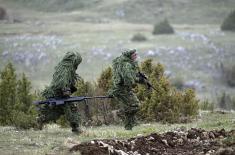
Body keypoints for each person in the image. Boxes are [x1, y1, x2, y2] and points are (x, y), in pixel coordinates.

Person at [37, 51, 82, 133]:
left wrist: (70, 88)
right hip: (59, 95)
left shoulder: (64, 67)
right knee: (72, 108)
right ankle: (76, 128)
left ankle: (42, 119)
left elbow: (64, 81)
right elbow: (61, 82)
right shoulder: (65, 69)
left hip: (58, 94)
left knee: (57, 112)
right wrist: (65, 90)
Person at [108, 49, 148, 130]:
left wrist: (139, 76)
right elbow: (128, 79)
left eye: (136, 54)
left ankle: (130, 126)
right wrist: (140, 80)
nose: (136, 56)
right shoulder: (127, 65)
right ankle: (119, 113)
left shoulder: (126, 63)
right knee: (135, 105)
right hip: (122, 89)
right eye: (134, 55)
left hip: (122, 88)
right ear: (129, 56)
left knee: (132, 106)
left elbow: (129, 75)